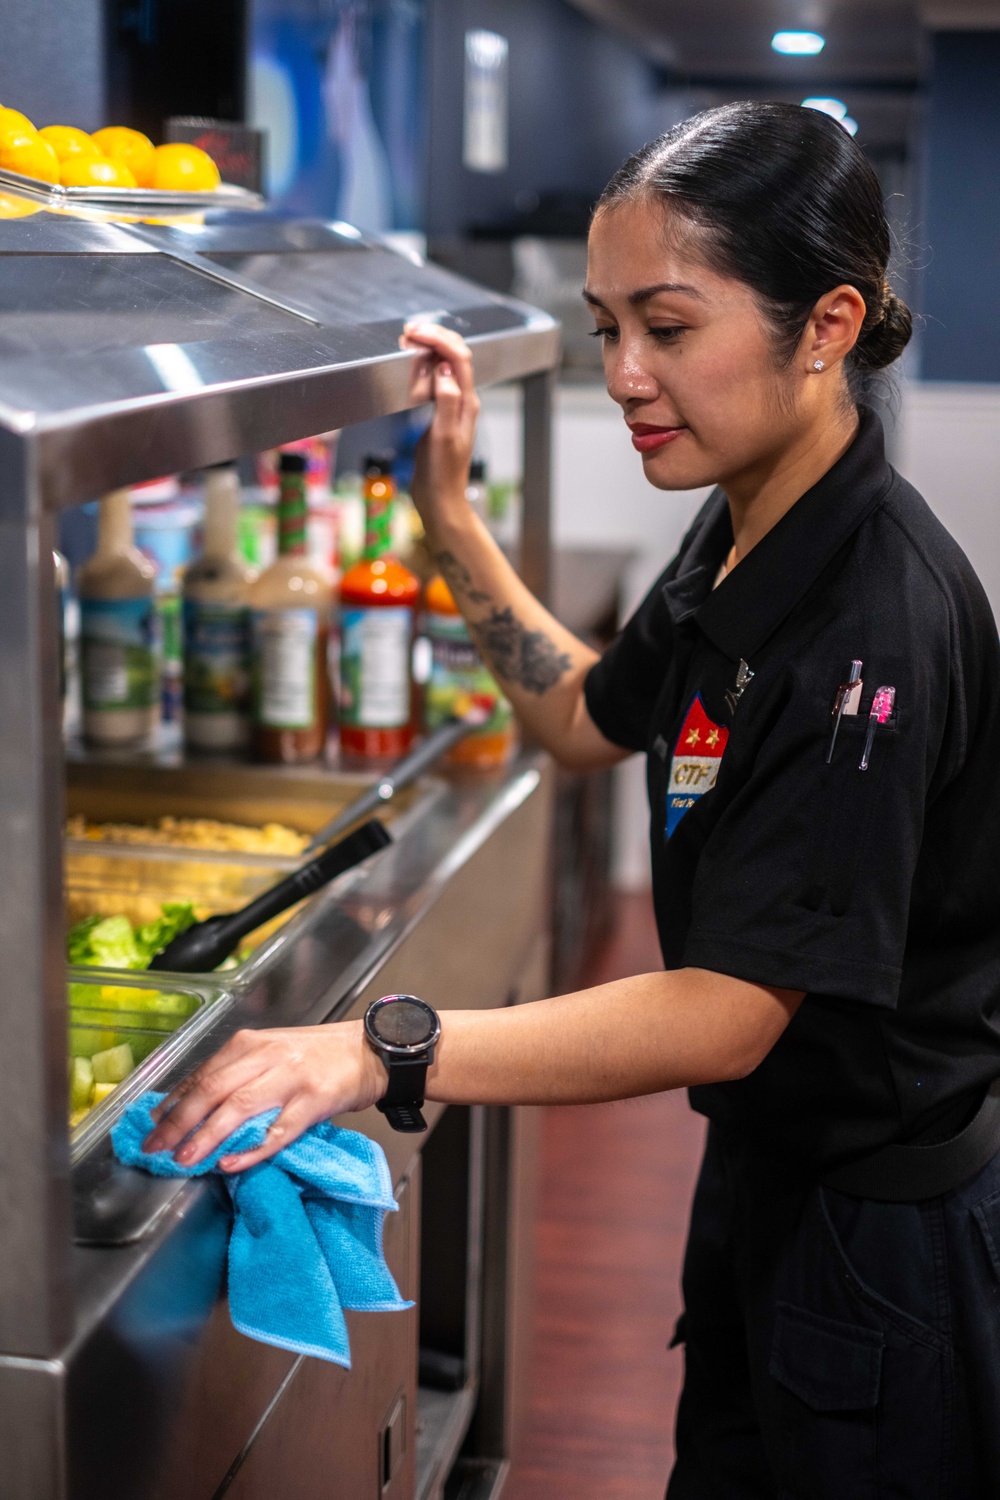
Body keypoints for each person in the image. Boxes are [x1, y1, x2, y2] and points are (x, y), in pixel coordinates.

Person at [144, 102, 1000, 1496]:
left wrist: (379, 1048)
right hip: (772, 1185)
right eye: (607, 329)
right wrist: (445, 508)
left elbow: (731, 1010)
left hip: (881, 1242)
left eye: (668, 326)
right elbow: (579, 715)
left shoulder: (868, 626)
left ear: (828, 325)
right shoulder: (738, 530)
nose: (624, 374)